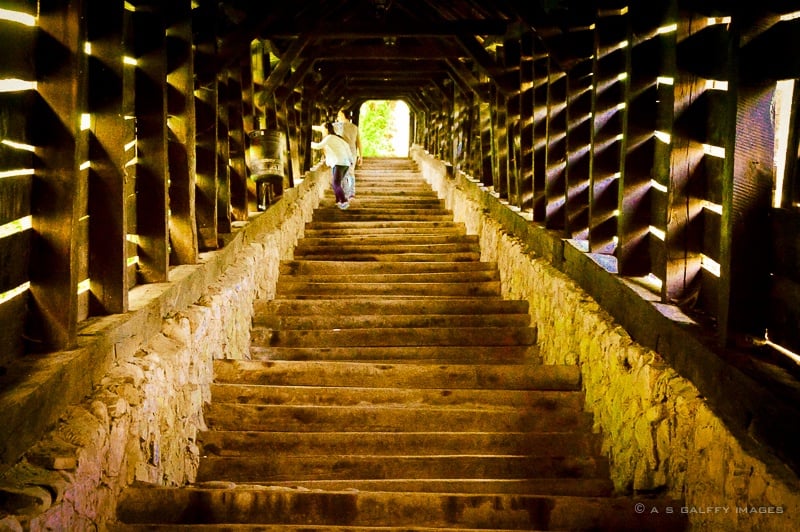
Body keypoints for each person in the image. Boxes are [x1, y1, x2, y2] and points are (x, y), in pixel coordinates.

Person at [311, 122, 354, 209]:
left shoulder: (329, 137)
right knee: (337, 183)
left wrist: (309, 143)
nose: (322, 131)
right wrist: (351, 160)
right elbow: (347, 147)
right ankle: (338, 201)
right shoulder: (338, 138)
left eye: (323, 129)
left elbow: (319, 146)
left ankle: (344, 201)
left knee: (335, 184)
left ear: (326, 129)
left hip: (339, 163)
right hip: (345, 163)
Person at [335, 109, 362, 200]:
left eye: (338, 115)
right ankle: (351, 193)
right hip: (352, 153)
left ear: (343, 115)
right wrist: (360, 156)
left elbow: (325, 128)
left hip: (342, 153)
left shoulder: (338, 126)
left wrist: (311, 127)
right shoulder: (355, 127)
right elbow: (359, 143)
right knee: (350, 173)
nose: (337, 118)